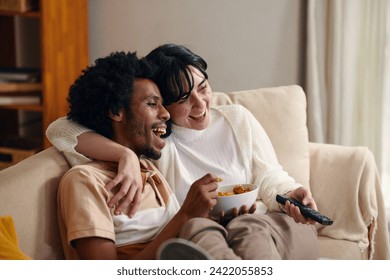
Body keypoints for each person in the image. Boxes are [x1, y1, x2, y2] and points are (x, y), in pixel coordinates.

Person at [48, 45, 320, 259]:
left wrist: (288, 194)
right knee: (199, 229)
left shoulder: (235, 119)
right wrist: (126, 155)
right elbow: (61, 129)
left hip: (260, 221)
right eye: (181, 99)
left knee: (244, 226)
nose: (200, 104)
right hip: (205, 230)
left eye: (203, 88)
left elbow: (269, 176)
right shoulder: (157, 145)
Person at [56, 51, 220, 259]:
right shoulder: (85, 180)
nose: (166, 114)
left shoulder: (149, 169)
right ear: (116, 112)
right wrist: (186, 214)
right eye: (152, 104)